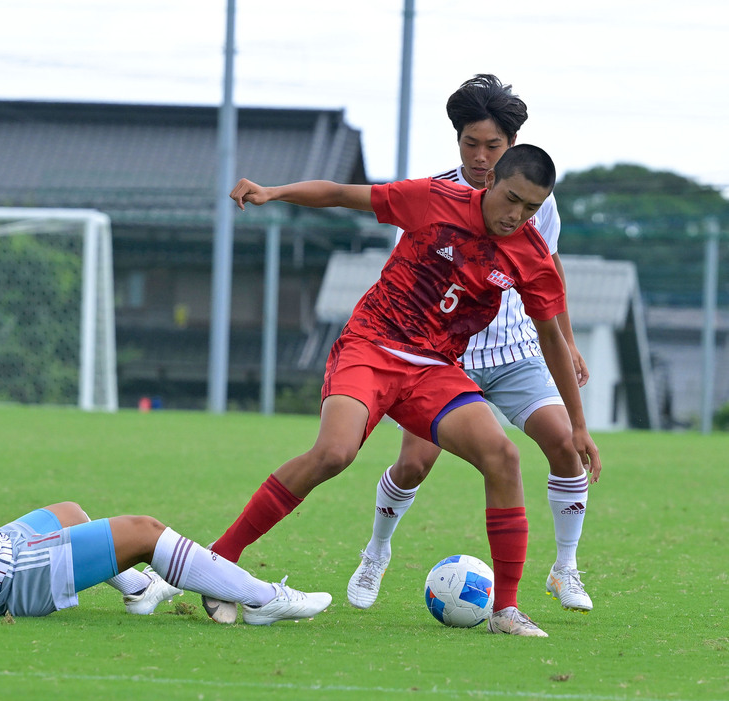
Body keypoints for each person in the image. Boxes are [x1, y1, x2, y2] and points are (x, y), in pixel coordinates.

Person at [203, 144, 601, 637]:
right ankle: (219, 559)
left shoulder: (532, 255)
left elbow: (553, 340)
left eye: (532, 207)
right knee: (334, 453)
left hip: (433, 368)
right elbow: (342, 194)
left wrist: (579, 425)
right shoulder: (434, 199)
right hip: (371, 346)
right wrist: (274, 192)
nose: (516, 215)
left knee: (503, 457)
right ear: (491, 179)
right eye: (512, 199)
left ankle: (506, 609)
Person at [0, 361, 332, 625]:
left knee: (69, 511)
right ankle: (265, 600)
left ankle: (141, 591)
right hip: (4, 580)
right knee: (143, 529)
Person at [347, 74, 597, 615]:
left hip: (514, 354)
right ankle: (376, 551)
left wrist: (569, 343)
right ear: (457, 140)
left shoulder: (535, 198)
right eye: (471, 144)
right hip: (438, 358)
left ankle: (565, 568)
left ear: (512, 149)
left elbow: (550, 277)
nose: (482, 156)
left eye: (494, 146)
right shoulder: (429, 197)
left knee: (566, 447)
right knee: (413, 465)